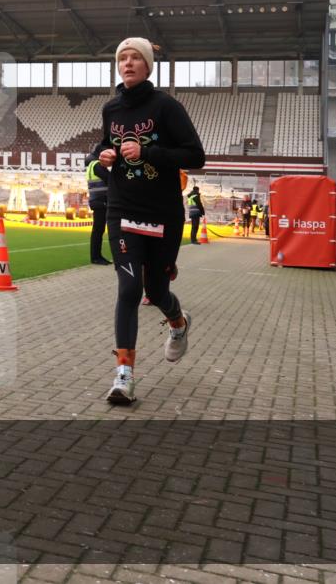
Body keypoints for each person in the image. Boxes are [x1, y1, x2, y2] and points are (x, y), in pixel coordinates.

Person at [92, 37, 206, 405]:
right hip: (122, 209)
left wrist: (148, 152)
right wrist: (103, 155)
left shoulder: (166, 106)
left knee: (156, 291)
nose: (127, 63)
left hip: (163, 214)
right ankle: (123, 376)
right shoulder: (111, 109)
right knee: (128, 290)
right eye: (122, 58)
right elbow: (102, 146)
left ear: (147, 66)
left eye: (134, 58)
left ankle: (178, 322)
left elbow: (195, 155)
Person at [86, 157, 111, 264]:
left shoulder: (93, 165)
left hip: (98, 201)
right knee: (98, 230)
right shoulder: (97, 165)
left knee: (98, 230)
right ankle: (96, 257)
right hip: (101, 202)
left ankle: (96, 256)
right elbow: (110, 179)